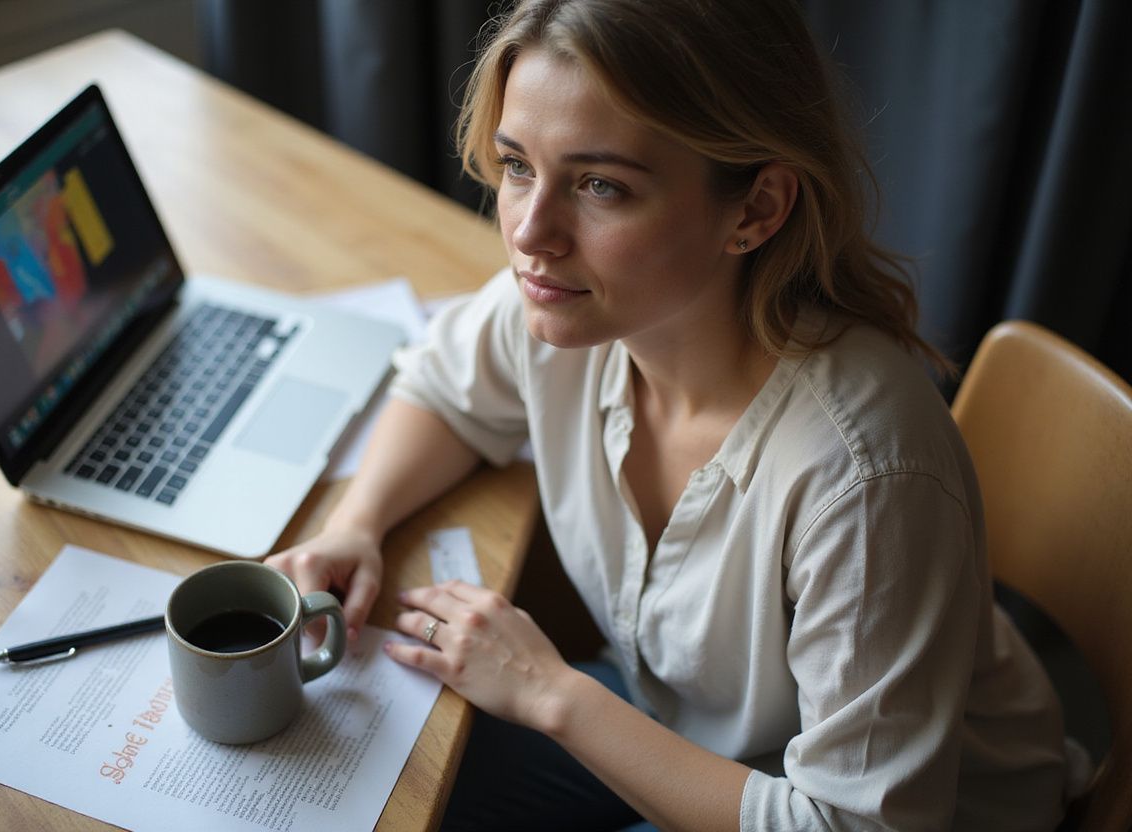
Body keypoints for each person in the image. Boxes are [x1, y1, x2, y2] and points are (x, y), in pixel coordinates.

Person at [268, 0, 1074, 828]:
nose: (531, 234)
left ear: (756, 209)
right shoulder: (568, 309)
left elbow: (857, 824)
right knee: (361, 773)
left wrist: (553, 694)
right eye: (517, 166)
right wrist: (356, 523)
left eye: (600, 185)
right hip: (683, 724)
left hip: (854, 808)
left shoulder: (863, 477)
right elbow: (446, 388)